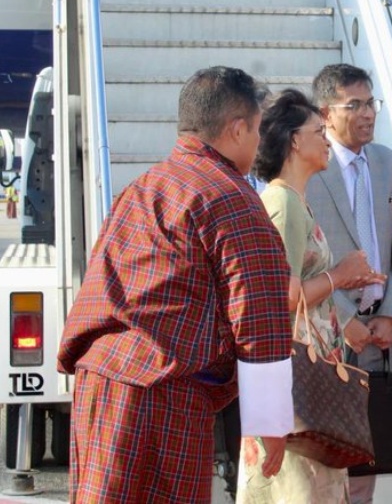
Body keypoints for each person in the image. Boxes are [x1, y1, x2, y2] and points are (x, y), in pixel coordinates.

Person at [57, 67, 293, 502]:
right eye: (258, 130)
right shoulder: (230, 197)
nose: (259, 142)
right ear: (237, 129)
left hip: (99, 378)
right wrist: (270, 421)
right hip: (160, 389)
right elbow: (258, 312)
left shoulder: (142, 186)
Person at [239, 89, 385, 502]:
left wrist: (344, 279)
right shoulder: (282, 201)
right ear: (293, 141)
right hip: (291, 381)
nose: (326, 139)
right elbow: (281, 297)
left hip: (302, 376)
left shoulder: (293, 199)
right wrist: (339, 276)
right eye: (319, 131)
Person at [303, 63, 392, 502]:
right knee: (325, 453)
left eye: (372, 103)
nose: (368, 113)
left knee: (366, 454)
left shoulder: (389, 163)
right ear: (326, 113)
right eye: (355, 105)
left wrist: (391, 314)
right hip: (325, 332)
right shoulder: (309, 164)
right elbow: (299, 261)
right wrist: (345, 316)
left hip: (376, 335)